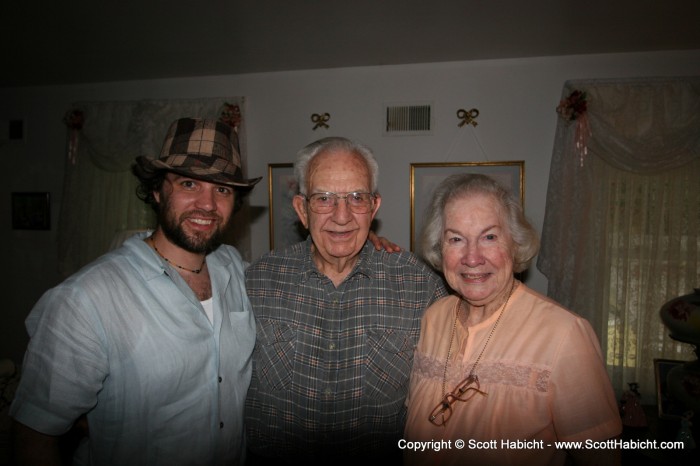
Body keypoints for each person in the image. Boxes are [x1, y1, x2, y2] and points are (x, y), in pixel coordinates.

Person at [10, 117, 262, 466]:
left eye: (222, 189)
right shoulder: (86, 299)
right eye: (189, 184)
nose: (207, 204)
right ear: (157, 191)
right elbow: (35, 433)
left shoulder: (235, 268)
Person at [244, 137, 448, 465]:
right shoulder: (256, 282)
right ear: (302, 209)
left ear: (374, 206)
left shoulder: (418, 286)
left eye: (356, 198)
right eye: (324, 198)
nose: (342, 216)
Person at [403, 173, 622, 466]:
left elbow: (600, 459)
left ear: (515, 243)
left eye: (489, 237)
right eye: (456, 239)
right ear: (439, 250)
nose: (472, 257)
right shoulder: (434, 318)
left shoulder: (564, 333)